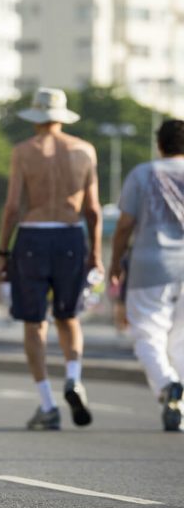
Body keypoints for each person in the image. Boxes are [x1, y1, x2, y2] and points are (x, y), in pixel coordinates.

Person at [0, 88, 102, 431]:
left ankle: (47, 403)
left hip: (33, 237)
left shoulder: (24, 152)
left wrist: (3, 251)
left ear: (35, 117)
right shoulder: (84, 150)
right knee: (68, 315)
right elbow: (93, 210)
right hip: (71, 236)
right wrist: (96, 255)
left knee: (34, 321)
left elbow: (13, 206)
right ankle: (74, 377)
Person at [110, 118, 184, 431]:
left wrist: (115, 261)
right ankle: (179, 407)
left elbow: (125, 224)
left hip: (150, 266)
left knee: (147, 335)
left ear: (159, 144)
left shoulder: (143, 173)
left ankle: (168, 386)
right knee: (181, 341)